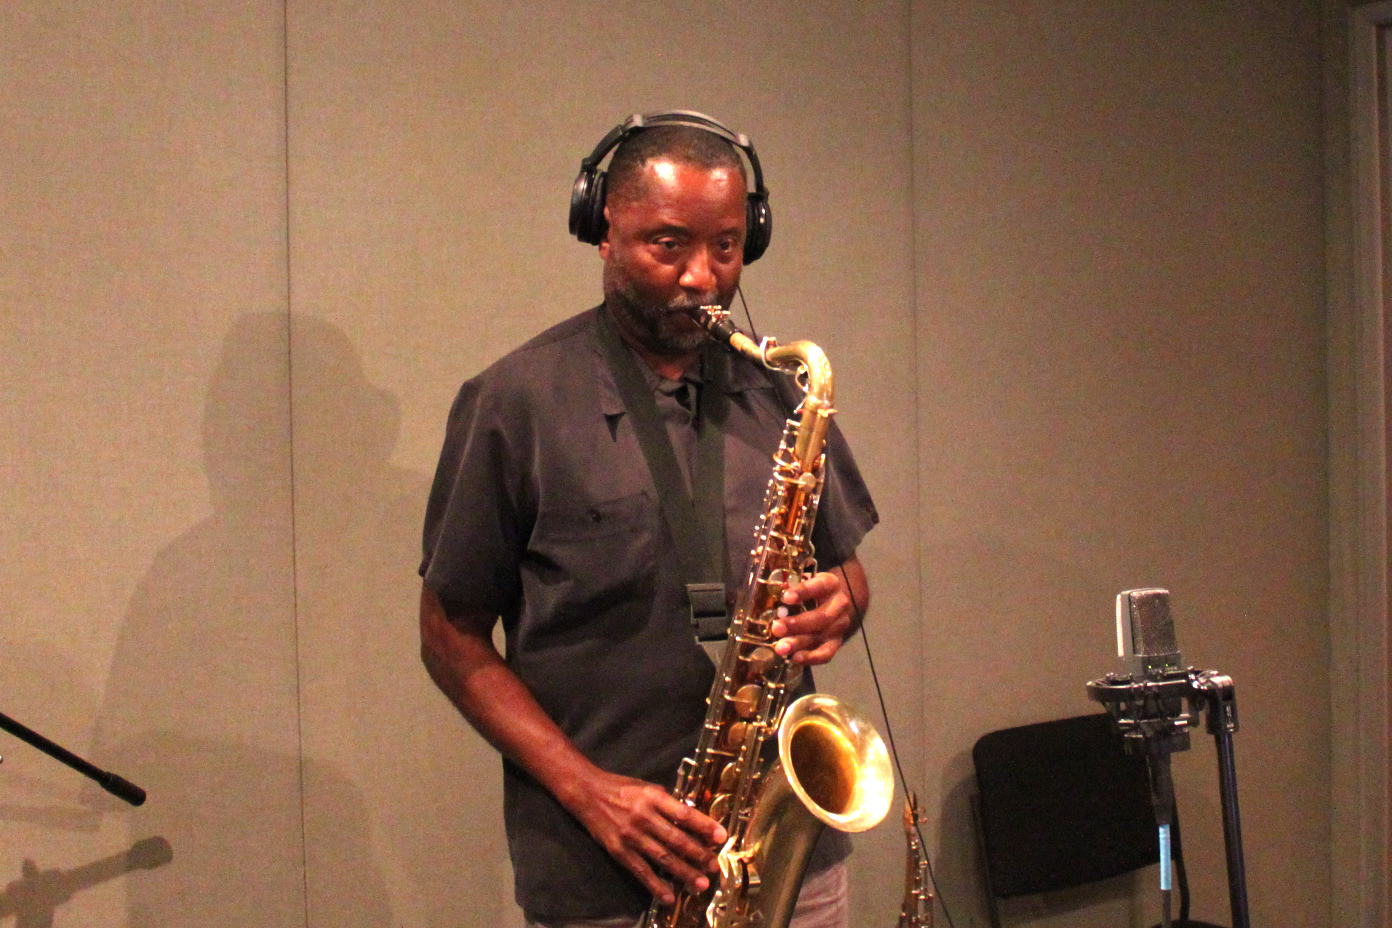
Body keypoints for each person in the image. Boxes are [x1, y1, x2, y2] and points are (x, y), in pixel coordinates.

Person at [419, 112, 878, 928]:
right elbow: (449, 635)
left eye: (727, 247)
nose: (702, 277)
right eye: (668, 245)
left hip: (786, 859)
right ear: (602, 230)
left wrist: (845, 597)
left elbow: (844, 571)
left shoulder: (781, 388)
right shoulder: (512, 403)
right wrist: (587, 790)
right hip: (607, 868)